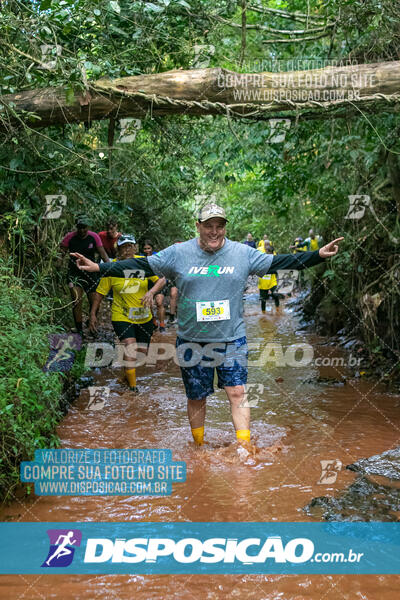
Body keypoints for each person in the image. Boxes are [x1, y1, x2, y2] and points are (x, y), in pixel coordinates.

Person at [72, 203, 344, 447]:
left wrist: (317, 255)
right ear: (198, 226)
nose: (215, 232)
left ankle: (243, 448)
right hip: (192, 340)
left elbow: (279, 262)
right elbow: (142, 265)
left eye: (220, 226)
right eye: (209, 226)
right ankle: (199, 447)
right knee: (197, 397)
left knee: (237, 392)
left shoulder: (242, 253)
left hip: (232, 338)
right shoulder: (179, 253)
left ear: (225, 227)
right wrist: (99, 268)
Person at [89, 234, 163, 393]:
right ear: (119, 249)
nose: (128, 250)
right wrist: (93, 314)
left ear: (135, 247)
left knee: (142, 353)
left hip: (144, 316)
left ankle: (126, 376)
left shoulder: (144, 262)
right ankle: (133, 388)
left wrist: (152, 292)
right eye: (124, 247)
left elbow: (160, 280)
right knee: (130, 346)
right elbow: (100, 293)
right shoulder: (112, 267)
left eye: (131, 246)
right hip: (121, 315)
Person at [60, 215, 109, 335]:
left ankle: (91, 323)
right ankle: (79, 329)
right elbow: (60, 255)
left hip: (91, 273)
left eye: (84, 228)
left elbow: (104, 255)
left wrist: (110, 268)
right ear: (76, 227)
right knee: (76, 300)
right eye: (79, 227)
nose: (82, 230)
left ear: (88, 227)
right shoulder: (69, 238)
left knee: (94, 302)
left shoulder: (94, 237)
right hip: (74, 272)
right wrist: (58, 270)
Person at [142, 239, 167, 332]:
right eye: (145, 249)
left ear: (152, 248)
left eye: (149, 248)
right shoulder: (140, 257)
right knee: (149, 304)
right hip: (147, 282)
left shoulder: (158, 255)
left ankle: (162, 324)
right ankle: (153, 321)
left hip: (159, 281)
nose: (147, 250)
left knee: (159, 303)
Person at [258, 246, 280, 311]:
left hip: (272, 281)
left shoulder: (275, 259)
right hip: (263, 282)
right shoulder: (261, 258)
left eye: (268, 251)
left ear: (271, 252)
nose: (267, 252)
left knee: (276, 296)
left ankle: (278, 310)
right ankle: (263, 313)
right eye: (266, 251)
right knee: (263, 300)